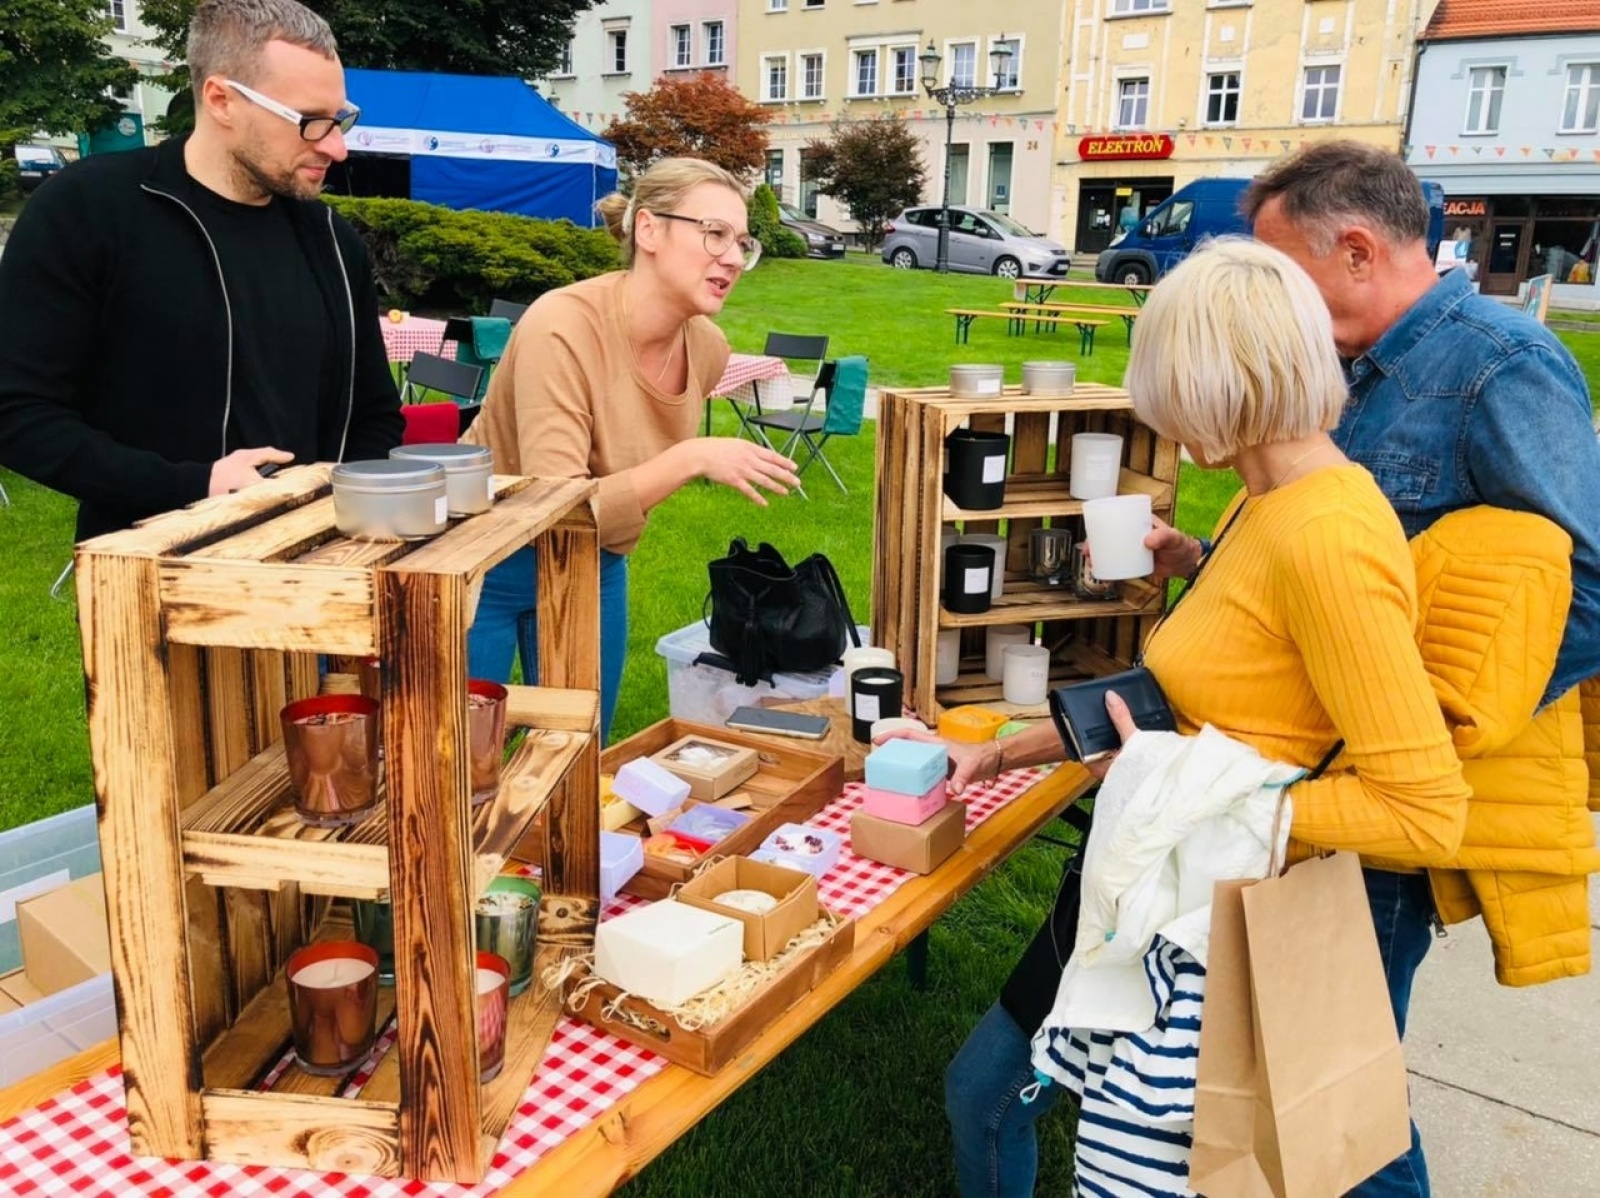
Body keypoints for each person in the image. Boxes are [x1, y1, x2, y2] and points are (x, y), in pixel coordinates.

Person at [924, 237, 1481, 1197]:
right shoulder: (1259, 504)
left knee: (1003, 1096)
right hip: (1160, 873)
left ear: (1226, 382)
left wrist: (1170, 788)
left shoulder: (1328, 537)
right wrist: (1006, 750)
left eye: (1167, 390)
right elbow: (1185, 700)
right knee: (982, 1090)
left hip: (1221, 924)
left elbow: (1425, 812)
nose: (1158, 417)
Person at [0, 0, 401, 541]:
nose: (337, 146)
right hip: (146, 578)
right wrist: (192, 485)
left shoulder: (332, 239)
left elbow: (374, 412)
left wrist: (346, 511)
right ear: (222, 100)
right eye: (311, 122)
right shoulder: (90, 210)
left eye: (341, 118)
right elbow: (17, 411)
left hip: (316, 571)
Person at [463, 157, 801, 740]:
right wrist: (689, 458)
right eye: (713, 233)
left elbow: (591, 519)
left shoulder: (708, 346)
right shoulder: (560, 326)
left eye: (743, 242)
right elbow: (554, 506)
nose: (732, 258)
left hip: (597, 562)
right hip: (483, 562)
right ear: (648, 230)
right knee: (462, 760)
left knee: (577, 753)